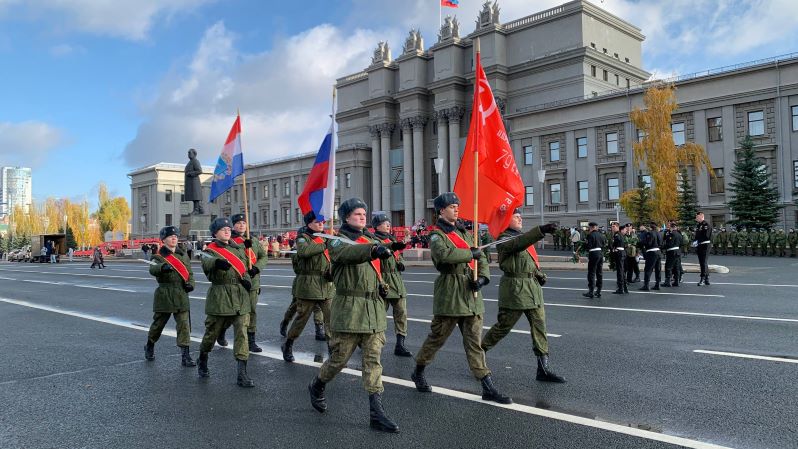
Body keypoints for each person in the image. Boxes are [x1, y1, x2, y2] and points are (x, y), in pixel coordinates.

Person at [307, 198, 399, 433]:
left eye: (364, 213)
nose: (362, 217)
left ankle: (376, 413)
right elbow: (348, 254)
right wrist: (373, 249)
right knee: (339, 360)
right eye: (357, 214)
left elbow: (374, 269)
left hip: (373, 309)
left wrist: (383, 283)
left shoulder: (370, 240)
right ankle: (317, 385)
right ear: (346, 217)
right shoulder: (336, 241)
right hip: (349, 310)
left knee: (373, 361)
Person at [410, 192, 512, 405]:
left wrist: (483, 278)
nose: (456, 209)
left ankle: (487, 386)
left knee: (474, 343)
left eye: (457, 206)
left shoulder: (465, 233)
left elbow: (481, 257)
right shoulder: (437, 235)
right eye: (452, 206)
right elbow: (443, 256)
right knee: (437, 338)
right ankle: (418, 371)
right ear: (441, 210)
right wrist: (469, 254)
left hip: (471, 294)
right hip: (450, 292)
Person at [480, 210, 563, 382]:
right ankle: (478, 353)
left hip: (532, 289)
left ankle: (543, 369)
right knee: (503, 326)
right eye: (516, 216)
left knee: (539, 327)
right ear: (506, 219)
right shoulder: (504, 239)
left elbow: (527, 262)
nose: (520, 218)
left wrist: (539, 275)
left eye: (520, 216)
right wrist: (540, 230)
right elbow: (518, 244)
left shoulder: (521, 237)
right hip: (515, 290)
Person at [197, 217, 255, 388]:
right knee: (211, 333)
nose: (227, 231)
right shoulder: (209, 250)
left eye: (229, 229)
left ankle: (242, 373)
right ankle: (203, 358)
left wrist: (247, 280)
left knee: (242, 332)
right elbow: (206, 262)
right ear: (215, 233)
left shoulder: (237, 249)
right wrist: (216, 262)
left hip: (240, 296)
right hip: (220, 296)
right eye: (223, 229)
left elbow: (245, 268)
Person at [282, 211, 335, 361]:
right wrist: (325, 244)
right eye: (318, 222)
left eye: (322, 222)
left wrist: (332, 271)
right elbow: (304, 252)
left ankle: (332, 349)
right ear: (309, 223)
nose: (321, 224)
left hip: (326, 285)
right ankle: (288, 344)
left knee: (331, 319)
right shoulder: (303, 238)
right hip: (309, 286)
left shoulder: (325, 237)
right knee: (301, 319)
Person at [144, 226, 196, 367]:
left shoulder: (183, 255)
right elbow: (152, 268)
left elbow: (190, 273)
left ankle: (185, 355)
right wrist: (162, 267)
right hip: (165, 294)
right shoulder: (158, 256)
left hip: (181, 294)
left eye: (175, 236)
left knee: (184, 325)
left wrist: (191, 284)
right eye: (170, 236)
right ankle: (150, 345)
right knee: (158, 325)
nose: (174, 238)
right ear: (164, 239)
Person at [217, 213, 268, 354]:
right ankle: (222, 330)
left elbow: (263, 257)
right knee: (233, 312)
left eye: (244, 223)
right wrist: (242, 246)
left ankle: (251, 341)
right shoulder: (229, 241)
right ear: (233, 226)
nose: (241, 225)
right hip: (237, 281)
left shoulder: (253, 240)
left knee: (251, 311)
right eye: (238, 223)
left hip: (253, 281)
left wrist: (256, 268)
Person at [372, 212, 413, 357]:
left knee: (401, 313)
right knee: (379, 315)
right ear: (377, 226)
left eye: (389, 223)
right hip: (382, 280)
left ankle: (400, 344)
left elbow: (397, 256)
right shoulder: (373, 241)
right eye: (385, 223)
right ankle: (371, 343)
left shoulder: (392, 239)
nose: (388, 225)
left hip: (396, 280)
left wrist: (401, 263)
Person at [582, 222, 606, 299]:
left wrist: (584, 245)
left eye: (589, 228)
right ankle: (598, 291)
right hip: (600, 253)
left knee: (591, 273)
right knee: (599, 272)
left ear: (591, 227)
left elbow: (588, 246)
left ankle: (591, 291)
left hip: (593, 254)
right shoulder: (601, 235)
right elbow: (604, 244)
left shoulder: (590, 235)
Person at [639, 223, 662, 291]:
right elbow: (660, 243)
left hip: (651, 252)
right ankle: (657, 284)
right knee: (658, 269)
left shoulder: (649, 233)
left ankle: (646, 285)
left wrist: (641, 243)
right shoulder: (658, 233)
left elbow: (649, 243)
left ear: (650, 227)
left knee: (648, 269)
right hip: (658, 251)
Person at [661, 221, 683, 287]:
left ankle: (667, 282)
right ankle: (676, 281)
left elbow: (669, 244)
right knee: (676, 267)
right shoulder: (679, 234)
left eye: (669, 227)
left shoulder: (671, 234)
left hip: (671, 252)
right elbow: (681, 243)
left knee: (668, 267)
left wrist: (661, 247)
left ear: (671, 227)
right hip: (677, 252)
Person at [610, 222, 628, 295]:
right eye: (612, 226)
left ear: (617, 227)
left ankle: (621, 288)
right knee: (622, 271)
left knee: (620, 271)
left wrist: (612, 248)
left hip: (619, 253)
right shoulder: (620, 234)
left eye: (614, 226)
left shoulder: (617, 234)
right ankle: (625, 287)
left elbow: (615, 243)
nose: (612, 228)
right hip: (622, 253)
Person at [694, 212, 712, 286]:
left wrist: (698, 241)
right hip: (700, 245)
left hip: (705, 245)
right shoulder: (698, 225)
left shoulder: (706, 225)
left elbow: (706, 236)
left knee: (703, 262)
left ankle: (703, 278)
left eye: (697, 217)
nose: (696, 218)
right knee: (702, 262)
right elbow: (697, 236)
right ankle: (707, 278)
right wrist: (695, 242)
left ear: (701, 217)